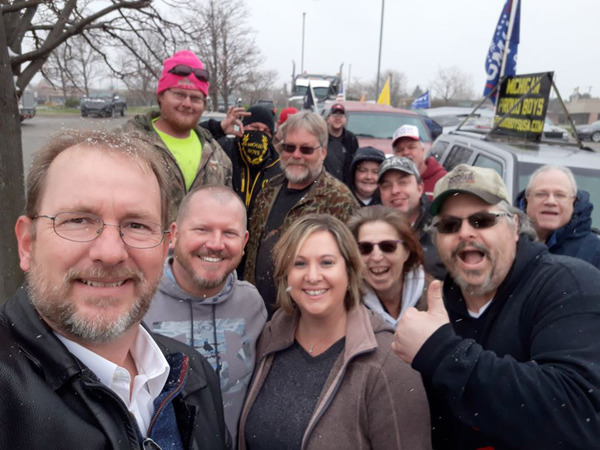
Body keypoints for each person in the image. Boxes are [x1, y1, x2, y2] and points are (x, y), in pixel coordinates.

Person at [4, 130, 229, 449]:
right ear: (28, 243)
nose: (110, 252)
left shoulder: (195, 377)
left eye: (137, 225)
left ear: (167, 244)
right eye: (78, 220)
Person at [392, 163, 600, 449]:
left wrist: (441, 353)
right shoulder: (438, 305)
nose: (465, 233)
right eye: (449, 225)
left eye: (481, 221)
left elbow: (577, 413)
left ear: (514, 226)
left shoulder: (569, 285)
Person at [238, 214, 431, 450]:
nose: (312, 276)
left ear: (350, 272)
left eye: (327, 262)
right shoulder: (269, 338)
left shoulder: (388, 363)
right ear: (286, 274)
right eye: (299, 263)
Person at [144, 185, 267, 446]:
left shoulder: (252, 304)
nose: (215, 244)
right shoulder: (140, 301)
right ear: (174, 234)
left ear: (244, 242)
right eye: (202, 229)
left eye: (229, 233)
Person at [243, 110, 359, 315]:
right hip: (256, 314)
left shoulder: (339, 200)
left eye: (306, 149)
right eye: (289, 147)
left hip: (305, 320)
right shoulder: (268, 192)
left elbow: (351, 271)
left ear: (322, 152)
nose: (296, 155)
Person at [123, 50, 233, 219]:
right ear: (160, 96)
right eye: (179, 94)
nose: (187, 104)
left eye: (196, 98)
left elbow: (225, 214)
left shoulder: (217, 156)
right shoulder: (125, 145)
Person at [347, 206, 431, 327]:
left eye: (388, 246)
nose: (376, 257)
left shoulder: (440, 299)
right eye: (364, 248)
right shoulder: (345, 307)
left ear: (406, 252)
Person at [205, 106, 281, 221]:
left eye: (266, 131)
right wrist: (218, 128)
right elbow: (190, 137)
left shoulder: (278, 165)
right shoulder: (222, 150)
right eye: (255, 127)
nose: (260, 133)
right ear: (242, 127)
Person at [516, 165, 600, 269]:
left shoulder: (594, 251)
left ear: (573, 201)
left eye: (560, 195)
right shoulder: (507, 239)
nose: (550, 202)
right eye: (541, 194)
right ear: (526, 199)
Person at [378, 156, 446, 279]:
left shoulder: (444, 227)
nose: (395, 191)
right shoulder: (371, 231)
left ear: (420, 189)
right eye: (386, 186)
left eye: (403, 182)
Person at [392, 124, 446, 200]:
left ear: (423, 149)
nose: (406, 152)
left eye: (411, 147)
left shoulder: (443, 180)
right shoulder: (390, 183)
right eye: (399, 150)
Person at [323, 103, 359, 184]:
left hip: (345, 187)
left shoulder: (351, 139)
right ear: (328, 119)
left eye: (341, 115)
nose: (338, 118)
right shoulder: (321, 137)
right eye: (334, 115)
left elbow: (355, 165)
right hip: (323, 186)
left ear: (345, 119)